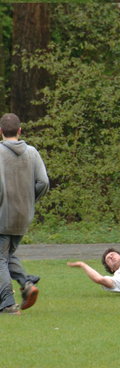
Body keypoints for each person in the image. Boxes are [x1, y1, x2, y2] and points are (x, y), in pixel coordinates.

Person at [0, 113, 49, 315]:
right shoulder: (32, 152)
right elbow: (44, 182)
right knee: (6, 255)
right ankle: (26, 283)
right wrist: (29, 200)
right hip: (23, 215)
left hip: (2, 214)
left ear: (1, 131)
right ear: (20, 131)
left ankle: (7, 303)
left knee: (0, 259)